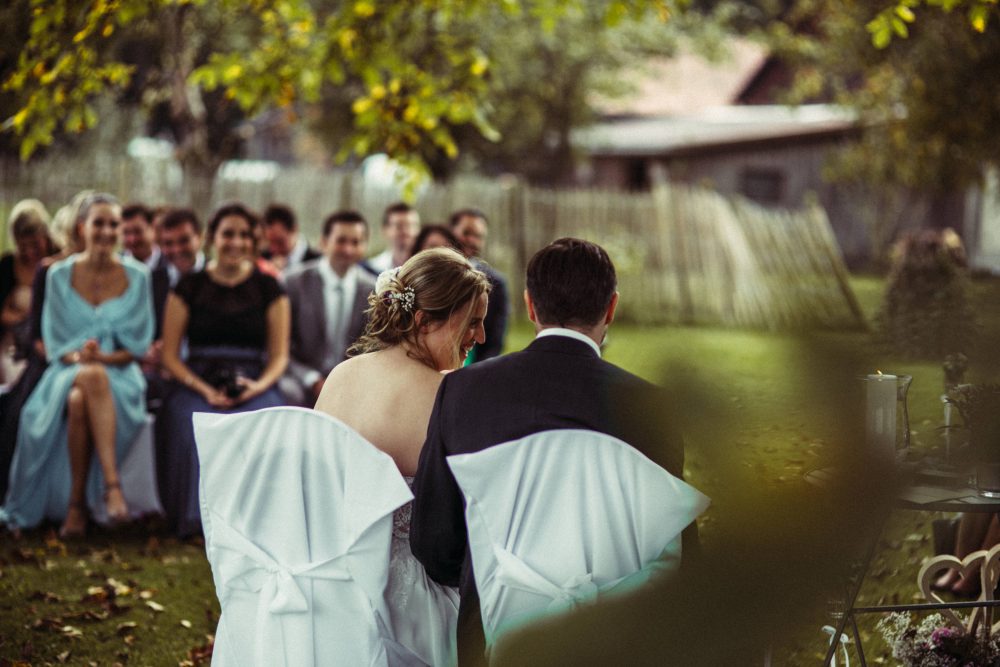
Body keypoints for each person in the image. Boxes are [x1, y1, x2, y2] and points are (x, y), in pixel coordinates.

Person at [410, 238, 688, 663]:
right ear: (611, 308)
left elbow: (434, 545)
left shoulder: (463, 392)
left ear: (530, 306)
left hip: (491, 642)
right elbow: (679, 555)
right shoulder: (654, 408)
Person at [314, 247, 491, 666]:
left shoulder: (343, 374)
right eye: (472, 322)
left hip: (330, 588)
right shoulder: (446, 396)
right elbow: (462, 521)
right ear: (422, 320)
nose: (480, 337)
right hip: (412, 606)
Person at [0, 193, 154, 538]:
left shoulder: (139, 276)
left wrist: (103, 358)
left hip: (121, 374)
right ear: (83, 227)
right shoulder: (58, 275)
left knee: (80, 399)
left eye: (113, 224)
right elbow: (55, 344)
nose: (106, 231)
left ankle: (75, 509)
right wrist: (80, 357)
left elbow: (138, 346)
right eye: (98, 222)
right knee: (85, 379)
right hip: (66, 370)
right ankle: (111, 490)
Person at [158, 202, 290, 537]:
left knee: (269, 421)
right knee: (189, 424)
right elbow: (170, 356)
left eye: (244, 234)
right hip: (196, 379)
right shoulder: (188, 287)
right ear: (211, 238)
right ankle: (195, 520)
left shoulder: (269, 288)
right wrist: (204, 390)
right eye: (227, 233)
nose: (236, 241)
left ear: (254, 240)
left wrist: (257, 387)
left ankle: (258, 524)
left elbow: (279, 356)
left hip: (253, 379)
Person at [279, 210, 376, 406]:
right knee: (289, 394)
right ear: (323, 242)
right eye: (341, 241)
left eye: (355, 242)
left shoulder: (373, 289)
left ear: (364, 246)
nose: (348, 249)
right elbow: (280, 345)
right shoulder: (293, 282)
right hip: (301, 379)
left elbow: (374, 348)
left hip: (352, 380)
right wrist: (312, 379)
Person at [1, 199, 57, 385]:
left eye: (35, 244)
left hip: (52, 339)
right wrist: (27, 320)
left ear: (46, 235)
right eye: (23, 246)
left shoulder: (60, 262)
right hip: (15, 345)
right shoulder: (8, 266)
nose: (30, 252)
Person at [449, 208, 509, 362]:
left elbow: (496, 341)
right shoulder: (432, 275)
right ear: (450, 231)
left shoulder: (497, 284)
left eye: (479, 236)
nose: (472, 240)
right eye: (467, 233)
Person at [261, 203, 320, 274]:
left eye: (280, 242)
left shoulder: (318, 262)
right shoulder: (263, 259)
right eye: (269, 242)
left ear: (294, 229)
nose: (274, 249)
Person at [364, 202, 420, 275]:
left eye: (411, 225)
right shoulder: (372, 268)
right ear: (384, 230)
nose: (406, 231)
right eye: (399, 226)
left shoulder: (427, 267)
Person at [121, 203, 168, 272]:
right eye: (126, 233)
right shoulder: (115, 268)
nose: (132, 239)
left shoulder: (171, 268)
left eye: (137, 231)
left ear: (152, 228)